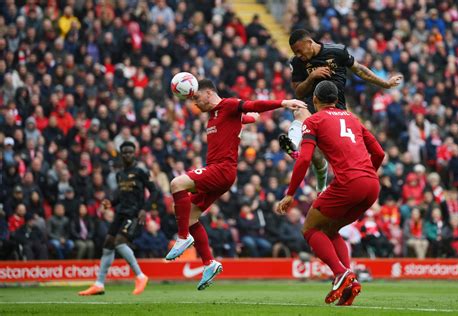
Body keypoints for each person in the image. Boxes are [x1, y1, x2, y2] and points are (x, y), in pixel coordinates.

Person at [165, 79, 306, 290]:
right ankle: (209, 263)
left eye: (196, 97)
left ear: (209, 93)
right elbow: (245, 116)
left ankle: (183, 237)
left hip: (221, 169)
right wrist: (251, 119)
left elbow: (253, 105)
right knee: (192, 215)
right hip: (220, 173)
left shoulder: (228, 105)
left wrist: (284, 103)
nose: (194, 102)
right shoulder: (214, 116)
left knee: (177, 183)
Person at [277, 81, 385, 306]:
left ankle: (340, 273)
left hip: (349, 183)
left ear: (315, 100)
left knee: (310, 229)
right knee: (331, 229)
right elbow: (379, 153)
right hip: (371, 184)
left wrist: (290, 193)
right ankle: (350, 283)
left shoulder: (313, 120)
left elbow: (305, 158)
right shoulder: (353, 118)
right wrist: (365, 176)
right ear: (336, 100)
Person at [279, 29, 401, 194]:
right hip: (312, 103)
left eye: (300, 50)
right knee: (299, 109)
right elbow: (298, 92)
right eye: (295, 52)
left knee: (319, 155)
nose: (299, 55)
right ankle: (293, 143)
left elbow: (359, 70)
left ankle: (324, 186)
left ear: (309, 43)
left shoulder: (337, 51)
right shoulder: (297, 62)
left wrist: (385, 84)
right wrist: (312, 77)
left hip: (335, 109)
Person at [79, 141, 159, 296]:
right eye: (124, 152)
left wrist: (145, 209)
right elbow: (121, 197)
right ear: (121, 155)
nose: (127, 155)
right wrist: (111, 202)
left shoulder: (141, 172)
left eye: (130, 152)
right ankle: (99, 284)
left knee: (119, 242)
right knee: (108, 243)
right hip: (121, 213)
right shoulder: (119, 174)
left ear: (134, 153)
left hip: (134, 214)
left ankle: (140, 276)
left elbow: (154, 191)